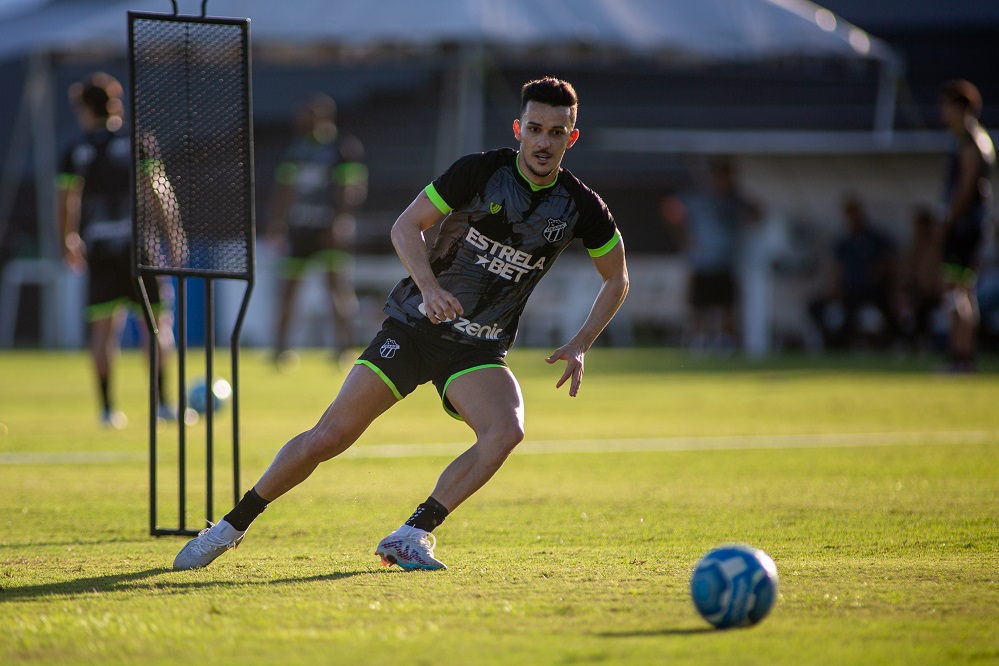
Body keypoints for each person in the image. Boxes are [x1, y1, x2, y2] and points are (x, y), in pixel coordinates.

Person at [173, 77, 629, 571]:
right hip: (414, 328)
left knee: (505, 431)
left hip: (476, 349)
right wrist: (430, 289)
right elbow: (404, 226)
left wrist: (582, 341)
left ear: (571, 137)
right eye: (535, 129)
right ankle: (229, 526)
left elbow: (617, 277)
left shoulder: (581, 206)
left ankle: (412, 533)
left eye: (556, 132)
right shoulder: (480, 171)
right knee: (329, 436)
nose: (544, 142)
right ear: (519, 129)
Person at [57, 72, 177, 429]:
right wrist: (174, 233)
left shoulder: (75, 148)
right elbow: (158, 190)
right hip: (140, 248)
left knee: (103, 330)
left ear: (85, 108)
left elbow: (66, 200)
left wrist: (68, 239)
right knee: (156, 325)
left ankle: (109, 409)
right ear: (115, 104)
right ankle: (163, 404)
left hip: (100, 248)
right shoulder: (137, 140)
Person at [266, 94, 368, 367]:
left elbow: (352, 188)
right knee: (287, 291)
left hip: (328, 229)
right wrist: (277, 222)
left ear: (323, 116)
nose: (301, 120)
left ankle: (345, 349)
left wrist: (341, 220)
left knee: (337, 288)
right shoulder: (296, 149)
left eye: (307, 115)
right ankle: (280, 351)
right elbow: (284, 188)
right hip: (299, 230)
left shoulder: (342, 147)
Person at [660, 158, 760, 353]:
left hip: (726, 262)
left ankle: (725, 344)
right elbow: (670, 208)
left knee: (726, 307)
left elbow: (756, 212)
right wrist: (684, 236)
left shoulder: (734, 200)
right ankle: (699, 343)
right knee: (699, 307)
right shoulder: (699, 198)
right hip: (702, 262)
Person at [935, 79, 995, 372]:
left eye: (946, 106)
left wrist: (947, 220)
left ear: (960, 108)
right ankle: (962, 354)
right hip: (970, 226)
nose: (943, 113)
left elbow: (966, 189)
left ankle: (961, 354)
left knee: (956, 290)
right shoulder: (972, 140)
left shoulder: (971, 143)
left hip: (965, 228)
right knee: (962, 290)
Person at [808, 195, 899, 350]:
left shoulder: (875, 239)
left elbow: (889, 266)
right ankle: (833, 345)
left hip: (871, 292)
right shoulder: (844, 244)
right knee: (818, 307)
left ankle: (884, 345)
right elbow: (837, 270)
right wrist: (835, 291)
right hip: (849, 293)